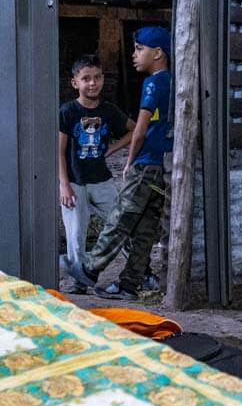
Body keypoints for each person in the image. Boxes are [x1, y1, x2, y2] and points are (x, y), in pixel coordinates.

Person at [70, 27, 173, 300]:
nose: (134, 55)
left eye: (140, 49)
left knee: (120, 220)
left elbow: (139, 129)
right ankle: (129, 285)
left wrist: (129, 161)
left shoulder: (152, 83)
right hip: (163, 166)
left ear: (158, 53)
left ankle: (90, 269)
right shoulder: (172, 82)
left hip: (146, 164)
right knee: (144, 230)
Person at [58, 54, 133, 291]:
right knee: (76, 234)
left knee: (121, 223)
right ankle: (80, 280)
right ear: (75, 83)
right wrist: (64, 185)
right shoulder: (68, 111)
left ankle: (137, 274)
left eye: (97, 77)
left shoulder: (109, 111)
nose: (93, 83)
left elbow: (134, 131)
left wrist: (111, 150)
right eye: (86, 78)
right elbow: (58, 151)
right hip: (74, 182)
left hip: (102, 180)